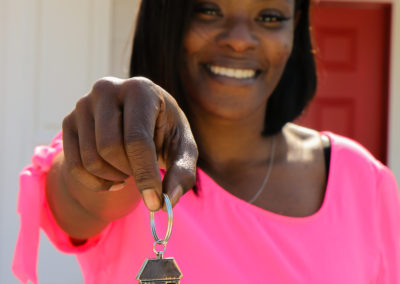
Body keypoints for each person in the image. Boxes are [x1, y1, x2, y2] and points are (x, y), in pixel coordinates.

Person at [12, 0, 400, 283]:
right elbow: (82, 193)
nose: (239, 41)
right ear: (166, 17)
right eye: (208, 10)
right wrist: (117, 126)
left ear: (294, 28)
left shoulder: (364, 180)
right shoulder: (128, 157)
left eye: (269, 17)